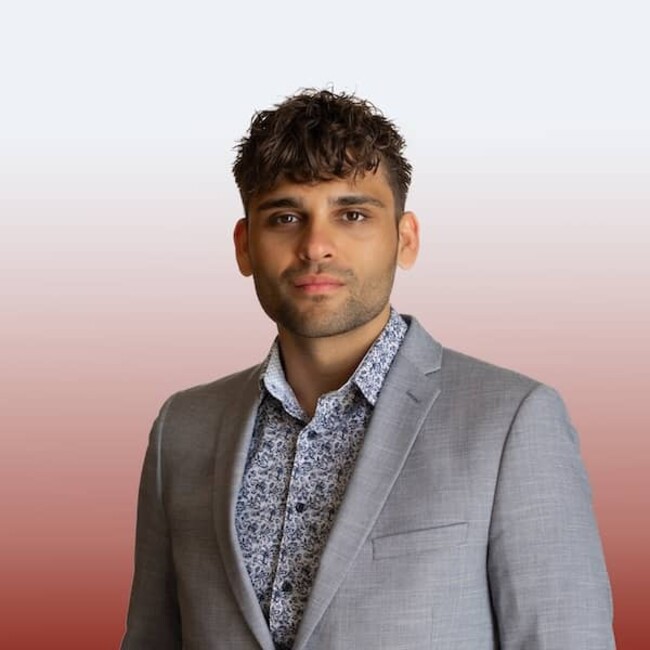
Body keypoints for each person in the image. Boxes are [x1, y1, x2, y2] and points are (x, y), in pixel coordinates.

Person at [121, 89, 614, 649]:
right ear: (244, 246)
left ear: (405, 239)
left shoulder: (511, 423)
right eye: (285, 217)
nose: (316, 246)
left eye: (352, 214)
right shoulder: (181, 429)